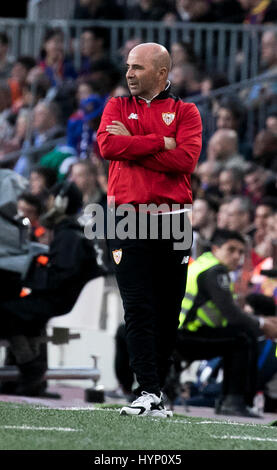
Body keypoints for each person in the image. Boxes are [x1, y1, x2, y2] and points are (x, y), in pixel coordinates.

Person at [97, 42, 202, 418]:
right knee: (138, 307)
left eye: (138, 68)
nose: (129, 74)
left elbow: (185, 160)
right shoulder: (116, 105)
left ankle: (156, 393)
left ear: (162, 73)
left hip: (173, 221)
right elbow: (108, 145)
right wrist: (160, 142)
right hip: (126, 220)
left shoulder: (186, 111)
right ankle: (147, 390)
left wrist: (134, 143)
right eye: (128, 66)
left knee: (167, 312)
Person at [0, 181, 103, 397]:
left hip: (57, 301)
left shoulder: (68, 235)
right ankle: (25, 375)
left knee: (6, 310)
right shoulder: (69, 231)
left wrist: (28, 279)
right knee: (17, 311)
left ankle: (31, 369)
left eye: (49, 199)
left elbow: (58, 278)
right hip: (57, 298)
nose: (46, 205)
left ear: (61, 202)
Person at [175, 228, 277, 417]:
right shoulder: (216, 271)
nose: (237, 256)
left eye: (240, 252)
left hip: (180, 332)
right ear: (216, 248)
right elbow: (232, 315)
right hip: (186, 336)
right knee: (242, 339)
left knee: (240, 335)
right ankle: (234, 401)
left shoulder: (203, 263)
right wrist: (263, 324)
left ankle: (232, 400)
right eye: (231, 250)